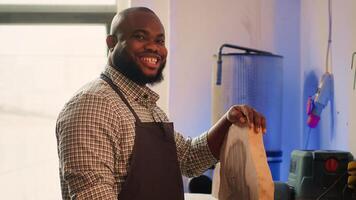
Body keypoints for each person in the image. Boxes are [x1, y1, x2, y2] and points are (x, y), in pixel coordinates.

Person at [56, 7, 266, 200]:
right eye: (140, 36)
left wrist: (228, 120)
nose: (154, 48)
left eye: (160, 41)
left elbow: (189, 158)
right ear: (111, 43)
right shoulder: (93, 106)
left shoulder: (147, 107)